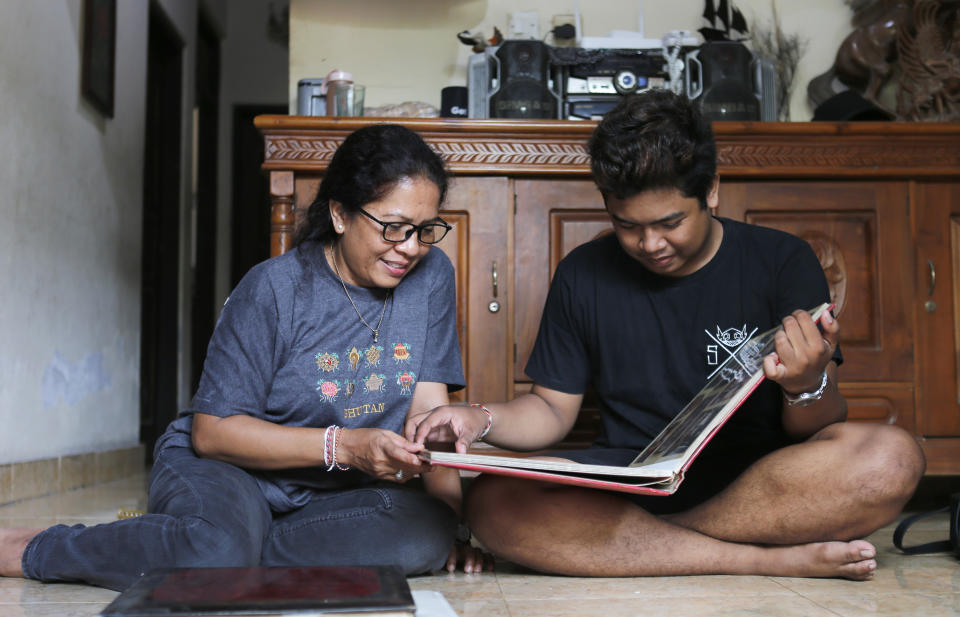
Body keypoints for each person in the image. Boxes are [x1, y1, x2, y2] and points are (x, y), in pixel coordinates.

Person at [407, 90, 926, 581]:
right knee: (495, 502)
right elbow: (550, 413)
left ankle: (633, 544)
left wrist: (806, 383)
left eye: (670, 222)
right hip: (628, 479)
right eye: (626, 224)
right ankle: (758, 560)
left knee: (892, 457)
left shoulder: (782, 260)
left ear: (712, 189)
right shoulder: (583, 272)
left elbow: (817, 426)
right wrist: (481, 416)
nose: (649, 243)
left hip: (764, 485)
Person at [0, 124, 488, 591]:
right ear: (340, 214)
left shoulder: (432, 275)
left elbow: (429, 416)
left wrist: (457, 529)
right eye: (394, 228)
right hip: (231, 470)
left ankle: (223, 546)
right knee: (214, 550)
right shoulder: (275, 288)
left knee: (424, 534)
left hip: (334, 494)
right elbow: (214, 434)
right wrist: (347, 446)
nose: (409, 249)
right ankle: (41, 547)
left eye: (425, 230)